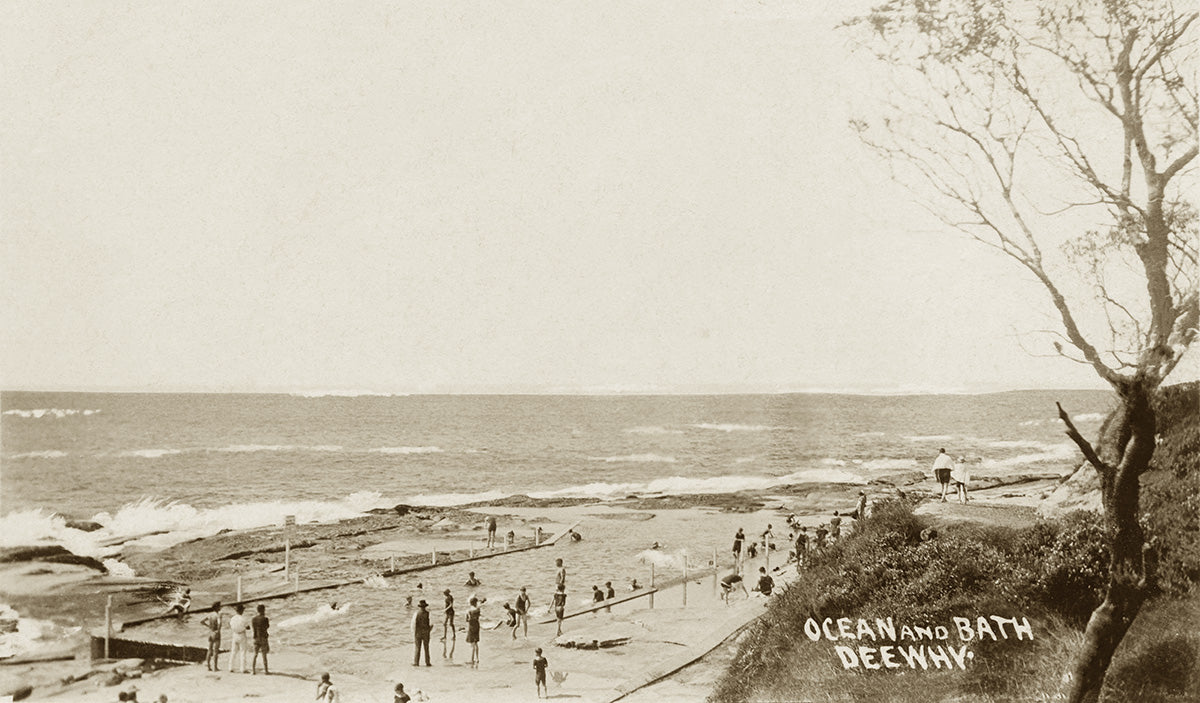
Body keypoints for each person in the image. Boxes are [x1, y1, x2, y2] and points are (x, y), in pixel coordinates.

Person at [228, 604, 251, 673]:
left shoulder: (233, 618)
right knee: (243, 651)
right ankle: (243, 668)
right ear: (242, 610)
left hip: (235, 634)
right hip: (242, 634)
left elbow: (230, 625)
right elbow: (248, 627)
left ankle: (230, 667)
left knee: (233, 651)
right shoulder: (243, 618)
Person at [200, 602, 222, 671]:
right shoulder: (218, 615)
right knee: (216, 651)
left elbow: (202, 621)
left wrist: (208, 626)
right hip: (215, 632)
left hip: (210, 632)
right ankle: (215, 667)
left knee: (209, 650)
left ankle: (208, 666)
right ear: (217, 607)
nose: (220, 607)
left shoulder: (210, 615)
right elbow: (219, 623)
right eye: (219, 606)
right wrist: (218, 630)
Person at [412, 600, 432, 666]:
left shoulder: (416, 614)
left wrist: (414, 632)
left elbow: (413, 625)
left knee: (417, 647)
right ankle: (427, 662)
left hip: (418, 632)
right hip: (426, 632)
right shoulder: (428, 613)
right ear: (425, 607)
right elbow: (432, 624)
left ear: (419, 607)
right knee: (426, 648)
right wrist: (428, 631)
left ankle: (416, 662)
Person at [251, 604, 270, 675]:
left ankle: (253, 670)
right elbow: (267, 627)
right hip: (263, 638)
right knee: (264, 655)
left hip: (256, 637)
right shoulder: (265, 619)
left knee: (255, 654)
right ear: (263, 610)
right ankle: (266, 671)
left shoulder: (253, 619)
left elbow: (254, 628)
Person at [465, 597, 481, 667]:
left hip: (471, 626)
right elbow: (477, 617)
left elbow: (467, 620)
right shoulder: (478, 610)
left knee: (472, 644)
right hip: (477, 625)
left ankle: (471, 659)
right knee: (476, 643)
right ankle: (477, 658)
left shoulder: (468, 611)